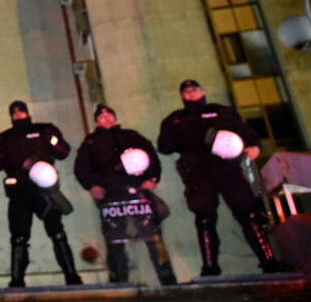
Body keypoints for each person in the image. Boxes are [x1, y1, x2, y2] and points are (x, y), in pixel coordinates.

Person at [157, 79, 282, 276]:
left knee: (249, 214)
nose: (191, 94)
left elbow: (245, 132)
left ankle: (269, 262)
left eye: (194, 90)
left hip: (228, 170)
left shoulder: (222, 112)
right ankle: (210, 267)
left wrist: (254, 146)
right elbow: (163, 146)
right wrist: (177, 143)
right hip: (197, 174)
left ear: (203, 91)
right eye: (186, 92)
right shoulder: (175, 120)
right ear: (182, 96)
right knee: (205, 218)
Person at [74, 104, 177, 285]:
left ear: (115, 117)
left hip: (138, 192)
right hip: (110, 195)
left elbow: (151, 156)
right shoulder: (90, 143)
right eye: (101, 116)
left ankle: (167, 277)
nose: (106, 118)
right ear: (96, 121)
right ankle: (118, 280)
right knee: (114, 239)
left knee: (153, 235)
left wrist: (152, 178)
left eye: (109, 114)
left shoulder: (132, 136)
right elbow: (81, 168)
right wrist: (92, 186)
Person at [0, 100, 81, 287]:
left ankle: (71, 276)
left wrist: (42, 155)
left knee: (57, 232)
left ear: (27, 112)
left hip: (44, 190)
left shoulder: (45, 130)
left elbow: (63, 151)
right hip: (19, 193)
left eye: (21, 111)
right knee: (18, 236)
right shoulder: (4, 138)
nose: (18, 114)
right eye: (14, 112)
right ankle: (17, 279)